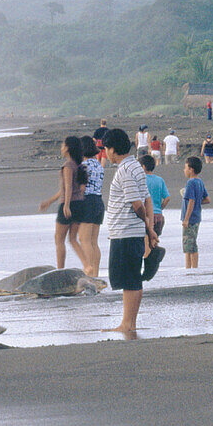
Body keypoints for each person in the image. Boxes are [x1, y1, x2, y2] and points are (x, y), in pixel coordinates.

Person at [102, 128, 158, 334]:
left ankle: (128, 324)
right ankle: (128, 323)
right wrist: (149, 229)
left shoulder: (125, 170)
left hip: (126, 231)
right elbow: (147, 199)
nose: (106, 153)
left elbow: (137, 203)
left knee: (130, 279)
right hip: (131, 231)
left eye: (106, 148)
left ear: (113, 149)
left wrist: (147, 227)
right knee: (131, 278)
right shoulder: (135, 166)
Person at [39, 136, 87, 267]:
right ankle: (87, 265)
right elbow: (70, 189)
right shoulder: (79, 165)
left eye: (63, 145)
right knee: (72, 239)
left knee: (59, 239)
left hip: (69, 204)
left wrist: (66, 205)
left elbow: (68, 187)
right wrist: (49, 201)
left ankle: (60, 269)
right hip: (79, 204)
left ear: (67, 148)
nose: (61, 148)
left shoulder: (68, 166)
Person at [76, 136, 105, 276]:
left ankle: (89, 273)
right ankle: (95, 274)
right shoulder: (99, 165)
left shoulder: (82, 166)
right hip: (98, 201)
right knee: (93, 241)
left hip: (86, 201)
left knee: (84, 240)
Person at [181, 156, 210, 268]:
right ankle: (188, 268)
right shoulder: (200, 182)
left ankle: (193, 269)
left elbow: (191, 201)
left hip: (190, 218)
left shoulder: (190, 183)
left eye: (185, 168)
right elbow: (207, 199)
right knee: (189, 245)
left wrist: (186, 219)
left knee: (190, 245)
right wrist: (198, 202)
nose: (184, 170)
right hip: (196, 217)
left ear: (191, 169)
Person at [141, 154, 170, 236]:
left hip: (146, 215)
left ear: (143, 167)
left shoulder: (142, 179)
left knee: (146, 243)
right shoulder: (160, 180)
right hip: (158, 215)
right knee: (155, 241)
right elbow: (167, 198)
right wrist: (160, 208)